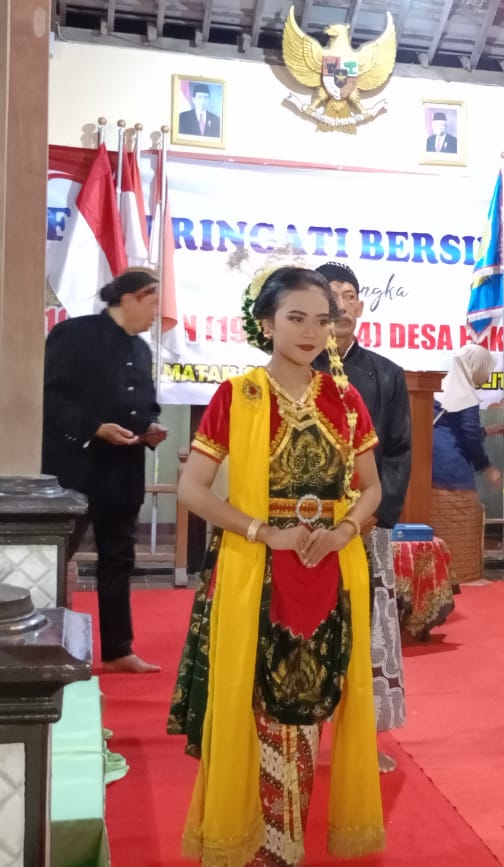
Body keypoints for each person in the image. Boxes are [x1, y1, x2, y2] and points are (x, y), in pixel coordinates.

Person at [169, 267, 384, 865]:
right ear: (265, 323)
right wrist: (267, 533)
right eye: (296, 318)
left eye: (324, 320)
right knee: (256, 708)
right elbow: (193, 489)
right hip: (254, 571)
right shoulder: (237, 396)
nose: (312, 331)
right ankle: (265, 851)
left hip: (329, 572)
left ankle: (284, 848)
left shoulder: (346, 398)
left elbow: (371, 490)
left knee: (311, 714)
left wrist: (343, 531)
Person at [42, 268, 167, 674]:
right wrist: (94, 428)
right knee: (58, 556)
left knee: (118, 558)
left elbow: (143, 403)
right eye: (152, 304)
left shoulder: (142, 349)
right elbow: (49, 397)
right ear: (131, 298)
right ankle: (44, 646)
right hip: (76, 468)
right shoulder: (75, 335)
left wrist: (150, 427)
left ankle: (118, 649)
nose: (155, 314)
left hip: (124, 469)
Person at [313, 262, 409, 760]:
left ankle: (359, 741)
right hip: (301, 528)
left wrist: (370, 515)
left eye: (350, 295)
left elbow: (397, 454)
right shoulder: (294, 371)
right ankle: (297, 731)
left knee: (363, 629)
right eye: (331, 295)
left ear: (360, 307)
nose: (342, 304)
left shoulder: (386, 376)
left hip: (363, 526)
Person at [431, 343, 500, 583]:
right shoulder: (466, 395)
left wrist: (486, 431)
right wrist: (487, 468)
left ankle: (436, 574)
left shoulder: (442, 391)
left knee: (437, 519)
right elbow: (467, 437)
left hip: (430, 465)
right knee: (465, 515)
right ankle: (460, 573)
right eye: (486, 369)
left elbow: (452, 426)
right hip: (451, 469)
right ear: (475, 366)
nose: (488, 375)